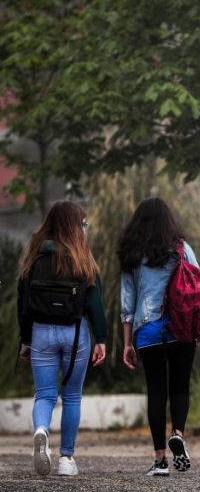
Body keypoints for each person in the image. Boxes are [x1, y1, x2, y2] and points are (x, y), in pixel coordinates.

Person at [17, 201, 107, 476]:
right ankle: (66, 459)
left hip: (41, 332)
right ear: (76, 226)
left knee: (44, 394)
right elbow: (95, 303)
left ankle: (41, 430)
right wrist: (101, 338)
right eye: (83, 223)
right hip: (75, 333)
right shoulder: (83, 258)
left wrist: (25, 339)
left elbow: (23, 304)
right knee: (72, 396)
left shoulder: (35, 256)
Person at [119, 197, 200, 476]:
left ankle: (159, 461)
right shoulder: (182, 248)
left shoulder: (132, 254)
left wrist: (127, 343)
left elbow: (127, 302)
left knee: (156, 390)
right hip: (181, 326)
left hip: (148, 328)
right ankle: (178, 434)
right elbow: (197, 288)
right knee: (180, 386)